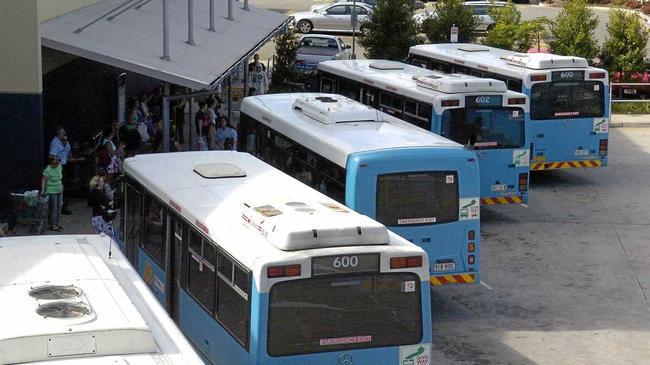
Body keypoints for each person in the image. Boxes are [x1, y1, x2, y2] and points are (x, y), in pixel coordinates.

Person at [49, 126, 83, 215]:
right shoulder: (55, 143)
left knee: (64, 186)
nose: (64, 135)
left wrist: (77, 159)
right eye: (62, 133)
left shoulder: (66, 143)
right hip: (57, 167)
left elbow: (68, 156)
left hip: (65, 166)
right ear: (59, 134)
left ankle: (62, 204)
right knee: (59, 187)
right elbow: (51, 156)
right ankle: (60, 207)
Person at [41, 155, 64, 232]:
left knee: (59, 206)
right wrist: (43, 191)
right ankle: (53, 225)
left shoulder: (60, 166)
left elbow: (60, 177)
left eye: (57, 163)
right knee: (54, 208)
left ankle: (57, 223)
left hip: (59, 189)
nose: (56, 165)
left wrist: (62, 186)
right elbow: (44, 181)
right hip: (51, 191)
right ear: (51, 163)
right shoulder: (48, 170)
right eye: (54, 163)